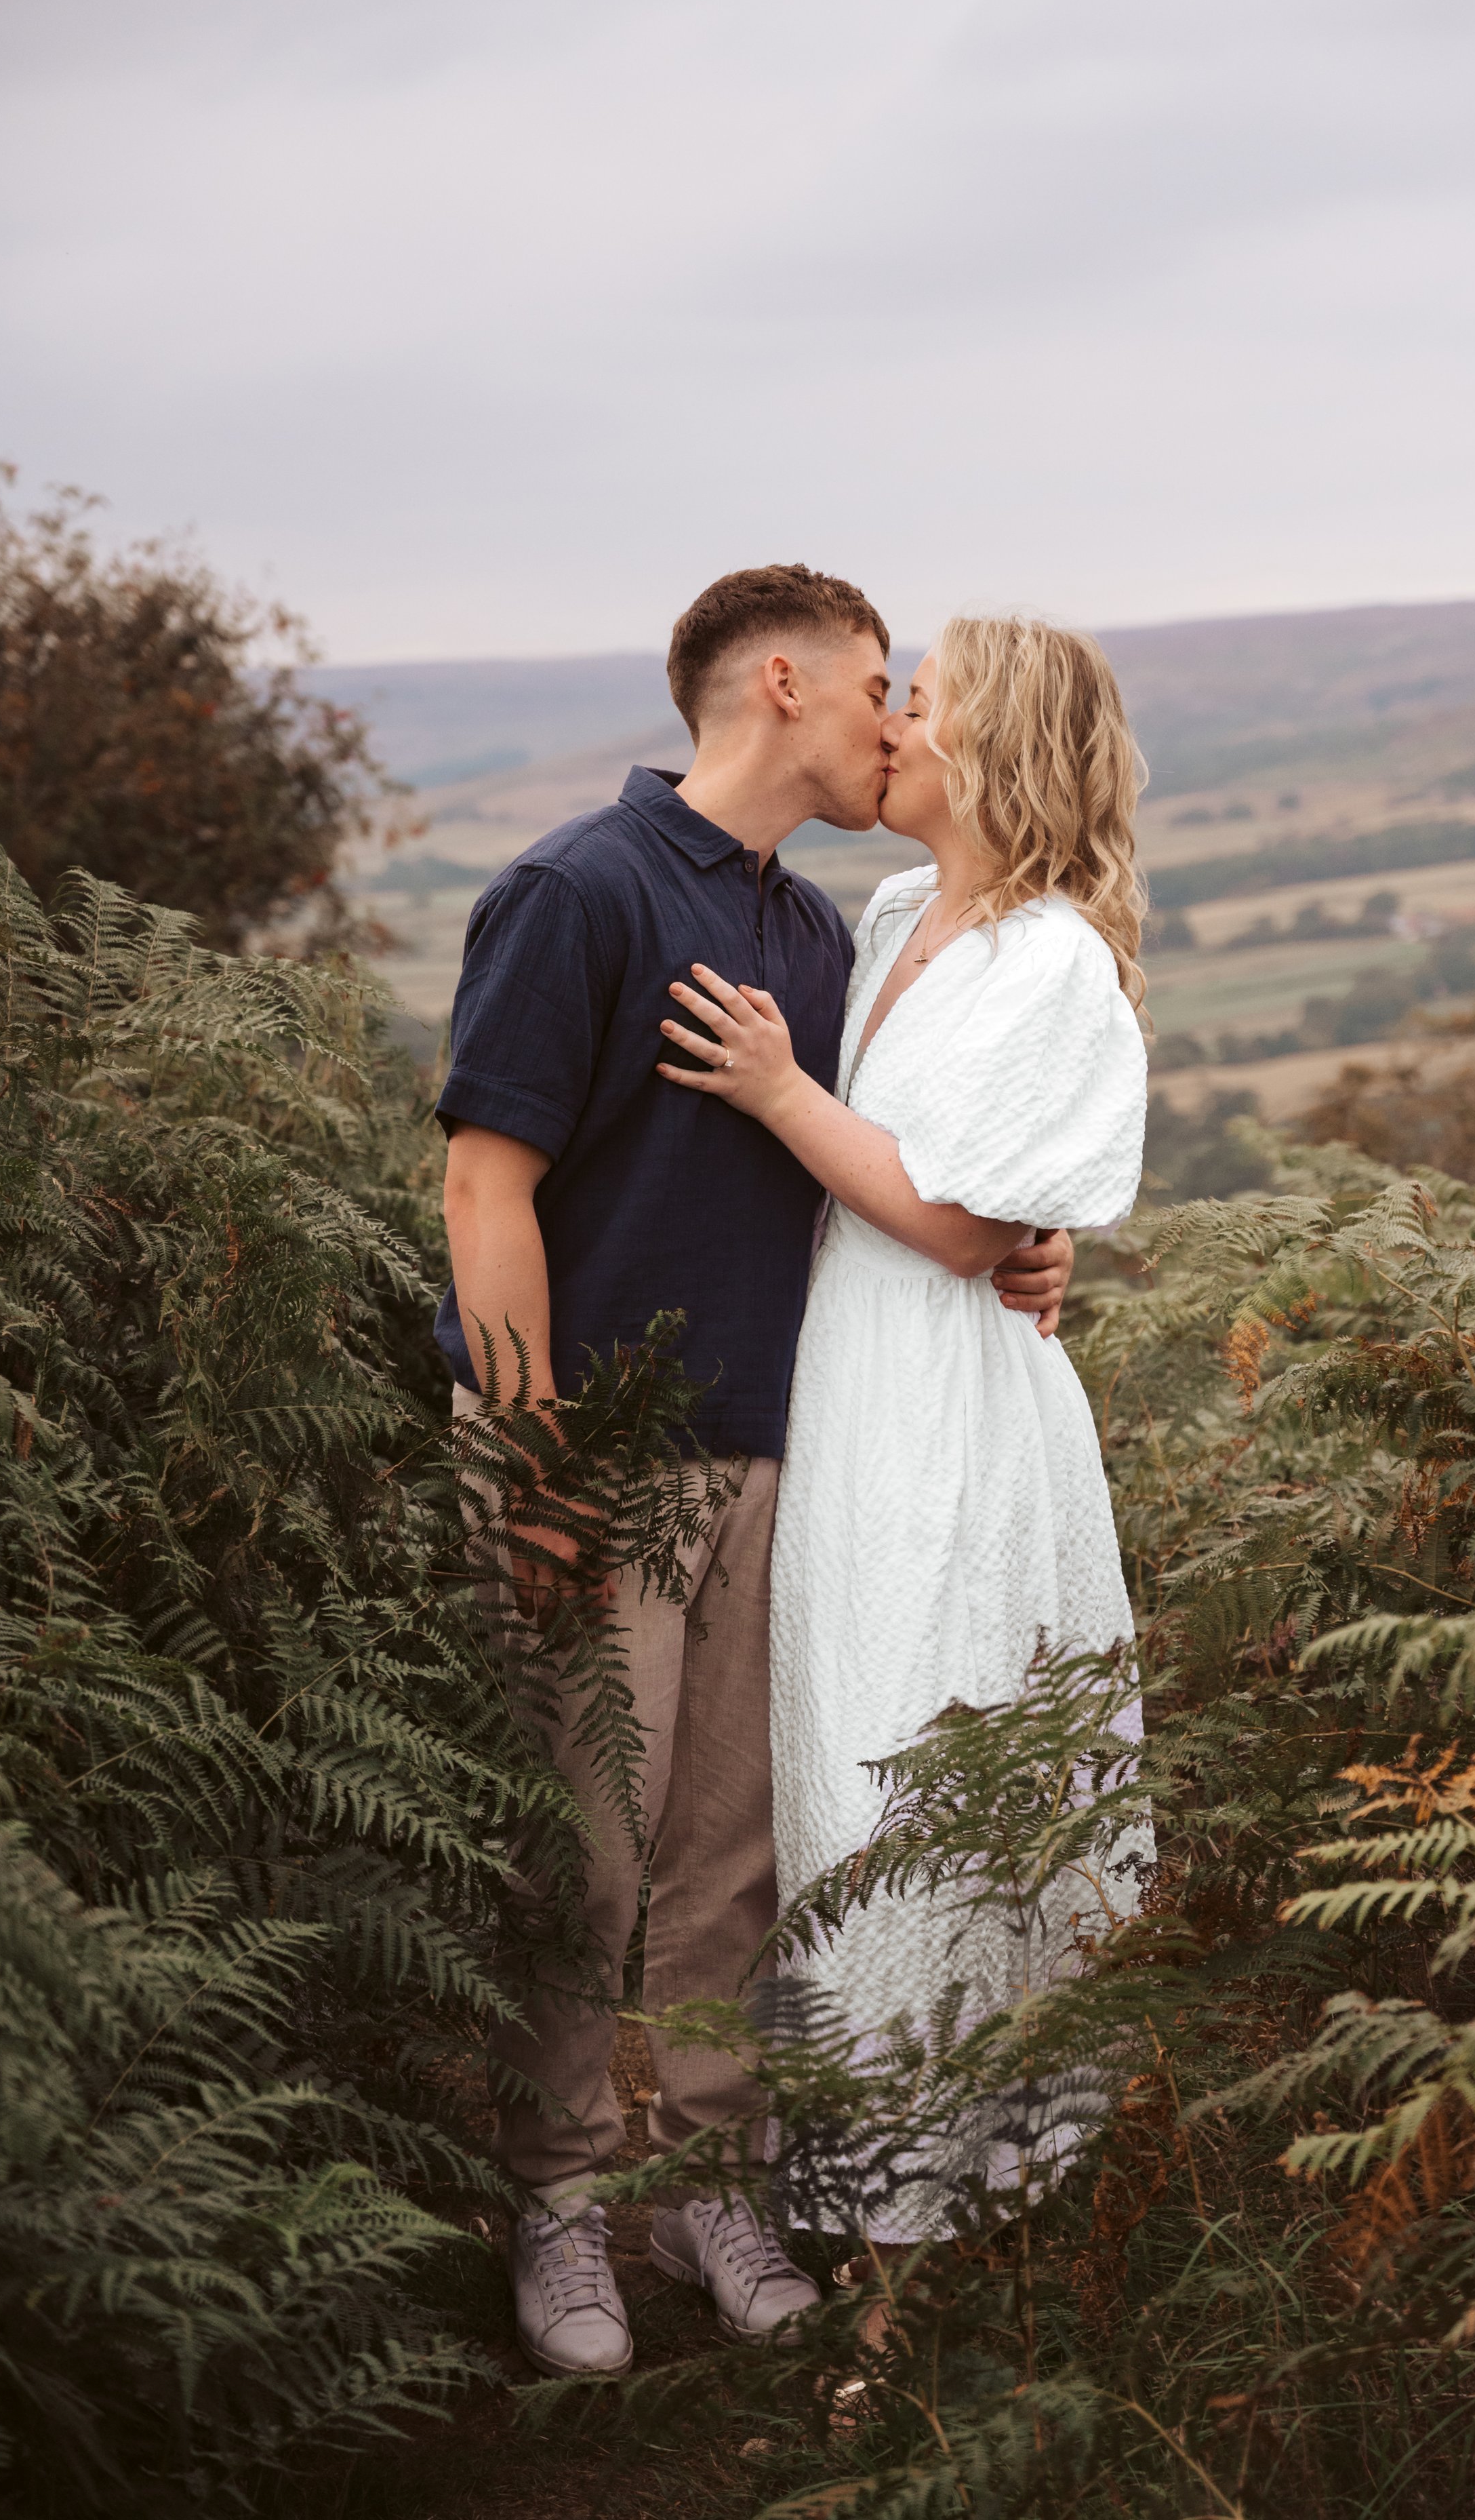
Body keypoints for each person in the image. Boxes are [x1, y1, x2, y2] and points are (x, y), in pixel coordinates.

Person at [435, 567, 1075, 2377]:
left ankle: (696, 2173)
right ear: (780, 682)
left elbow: (901, 1161)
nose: (897, 719)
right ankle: (556, 2194)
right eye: (880, 684)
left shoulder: (818, 932)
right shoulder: (576, 890)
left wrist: (1026, 1245)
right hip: (587, 1458)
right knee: (586, 1853)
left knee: (725, 1854)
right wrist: (537, 1452)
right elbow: (485, 1188)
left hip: (782, 1460)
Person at [655, 612, 1151, 2271]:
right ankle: (857, 2202)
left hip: (950, 1423)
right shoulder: (888, 911)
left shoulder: (1052, 959)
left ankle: (925, 2262)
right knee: (833, 1797)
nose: (894, 729)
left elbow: (950, 1221)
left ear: (988, 749)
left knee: (917, 1807)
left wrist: (779, 1092)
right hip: (848, 1405)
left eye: (919, 705)